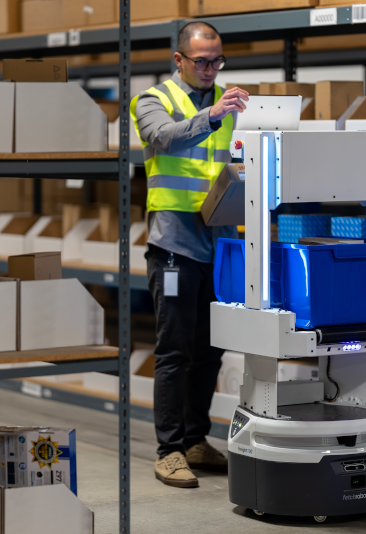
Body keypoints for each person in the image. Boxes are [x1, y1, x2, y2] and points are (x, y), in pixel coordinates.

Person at [130, 22, 249, 488]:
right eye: (201, 60)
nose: (210, 69)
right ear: (178, 60)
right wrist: (215, 115)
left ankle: (197, 439)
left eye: (217, 60)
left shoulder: (232, 105)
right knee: (174, 351)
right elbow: (163, 139)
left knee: (209, 352)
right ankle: (170, 449)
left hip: (220, 247)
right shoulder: (153, 100)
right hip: (175, 245)